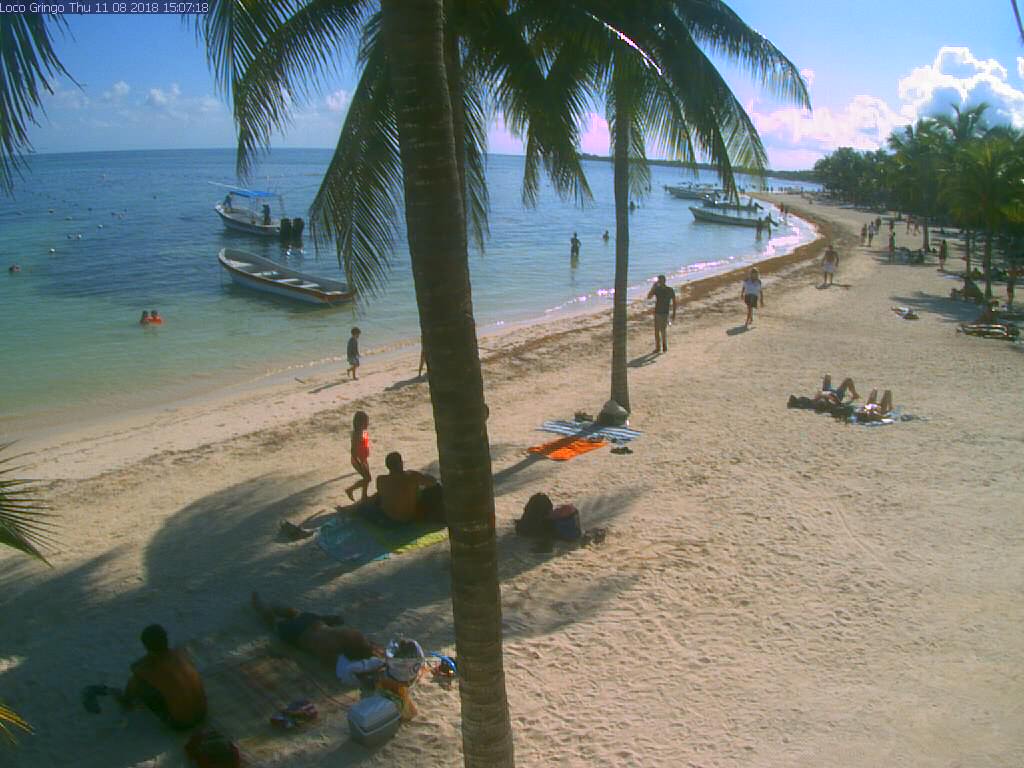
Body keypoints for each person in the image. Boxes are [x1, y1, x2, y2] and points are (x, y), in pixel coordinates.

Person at [110, 625, 206, 730]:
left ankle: (126, 702)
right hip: (202, 714)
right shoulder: (179, 653)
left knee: (137, 682)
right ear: (166, 640)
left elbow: (136, 668)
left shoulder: (146, 667)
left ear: (145, 646)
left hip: (180, 724)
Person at [251, 593, 378, 666]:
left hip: (313, 621)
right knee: (273, 624)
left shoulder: (353, 635)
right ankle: (262, 607)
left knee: (297, 614)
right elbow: (326, 663)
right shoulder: (332, 651)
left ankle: (278, 607)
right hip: (298, 634)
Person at [370, 451, 442, 525]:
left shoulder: (380, 480)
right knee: (435, 489)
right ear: (400, 463)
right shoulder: (411, 476)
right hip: (407, 518)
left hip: (388, 517)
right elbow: (432, 482)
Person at [646, 274, 677, 353]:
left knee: (662, 330)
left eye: (660, 280)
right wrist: (653, 287)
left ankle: (664, 346)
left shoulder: (669, 290)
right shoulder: (657, 289)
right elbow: (649, 297)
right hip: (658, 312)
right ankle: (658, 347)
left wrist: (674, 313)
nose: (660, 282)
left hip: (664, 312)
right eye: (659, 280)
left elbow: (674, 302)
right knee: (657, 330)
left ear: (664, 281)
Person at [345, 410, 371, 502]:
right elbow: (354, 450)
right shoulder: (357, 434)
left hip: (363, 459)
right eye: (366, 422)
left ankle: (364, 496)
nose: (368, 424)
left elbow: (364, 445)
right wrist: (360, 461)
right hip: (358, 460)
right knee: (367, 478)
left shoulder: (363, 432)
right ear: (360, 423)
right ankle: (350, 490)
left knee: (367, 478)